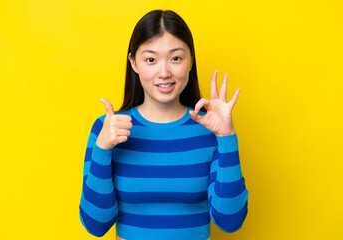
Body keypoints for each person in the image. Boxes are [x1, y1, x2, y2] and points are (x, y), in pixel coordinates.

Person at [79, 9, 249, 240]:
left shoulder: (210, 128)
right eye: (150, 59)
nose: (164, 72)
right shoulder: (108, 129)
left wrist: (227, 136)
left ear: (190, 61)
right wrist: (102, 150)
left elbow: (231, 220)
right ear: (134, 63)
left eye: (176, 58)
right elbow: (95, 225)